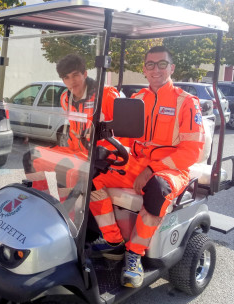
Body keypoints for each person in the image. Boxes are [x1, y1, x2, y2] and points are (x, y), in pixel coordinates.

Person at [89, 46, 205, 288]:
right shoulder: (137, 100)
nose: (156, 69)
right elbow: (127, 141)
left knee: (156, 189)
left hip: (172, 169)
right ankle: (113, 241)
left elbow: (191, 151)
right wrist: (105, 149)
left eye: (162, 64)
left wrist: (152, 170)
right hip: (138, 163)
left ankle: (134, 255)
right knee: (92, 177)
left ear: (171, 68)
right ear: (144, 69)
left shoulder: (186, 102)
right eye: (150, 64)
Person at [23, 54, 120, 203]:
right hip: (74, 150)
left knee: (67, 168)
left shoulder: (106, 95)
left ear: (85, 74)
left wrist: (105, 151)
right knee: (31, 157)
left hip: (99, 155)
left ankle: (70, 215)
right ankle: (40, 201)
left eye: (75, 75)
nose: (71, 81)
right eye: (66, 77)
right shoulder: (65, 98)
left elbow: (123, 135)